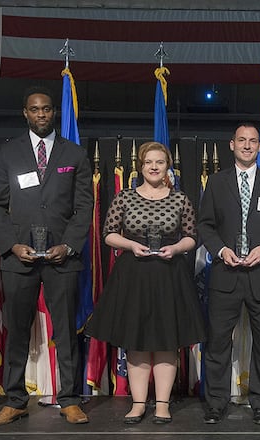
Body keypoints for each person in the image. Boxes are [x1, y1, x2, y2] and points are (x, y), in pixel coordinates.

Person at [0, 86, 93, 426]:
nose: (41, 114)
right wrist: (12, 246)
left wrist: (70, 245)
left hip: (62, 258)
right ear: (25, 113)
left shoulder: (74, 153)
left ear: (54, 112)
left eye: (46, 108)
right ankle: (15, 400)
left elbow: (84, 206)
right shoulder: (6, 153)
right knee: (16, 330)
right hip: (20, 257)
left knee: (65, 331)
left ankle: (70, 400)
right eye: (35, 109)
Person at [85, 141, 205, 424]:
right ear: (141, 166)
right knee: (136, 342)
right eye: (148, 162)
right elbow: (108, 234)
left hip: (169, 275)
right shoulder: (124, 197)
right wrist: (129, 245)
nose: (153, 167)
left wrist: (175, 248)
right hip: (133, 274)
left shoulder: (180, 199)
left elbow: (191, 237)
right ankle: (138, 404)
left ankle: (162, 404)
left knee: (166, 342)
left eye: (159, 162)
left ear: (167, 167)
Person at [197, 123, 260, 425]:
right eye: (242, 140)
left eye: (253, 141)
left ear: (259, 147)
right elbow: (205, 225)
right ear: (232, 144)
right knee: (217, 343)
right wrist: (221, 250)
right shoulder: (216, 182)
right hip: (226, 273)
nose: (248, 145)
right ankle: (216, 403)